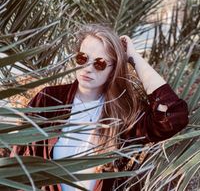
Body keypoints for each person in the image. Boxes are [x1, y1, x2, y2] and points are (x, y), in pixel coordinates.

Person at [11, 23, 189, 191]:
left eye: (99, 63)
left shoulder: (123, 112)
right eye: (82, 58)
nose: (88, 68)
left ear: (113, 69)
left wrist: (134, 59)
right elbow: (18, 162)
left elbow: (173, 115)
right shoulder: (48, 99)